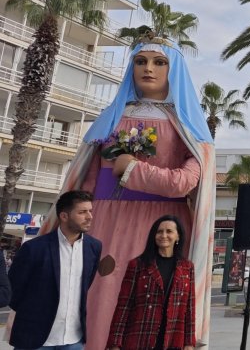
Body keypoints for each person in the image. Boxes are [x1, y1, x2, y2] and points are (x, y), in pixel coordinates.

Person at [47, 39, 216, 350]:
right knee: (101, 298)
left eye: (158, 62)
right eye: (140, 61)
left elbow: (185, 182)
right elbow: (89, 177)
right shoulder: (111, 116)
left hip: (162, 224)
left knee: (154, 307)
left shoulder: (188, 125)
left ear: (174, 70)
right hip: (106, 224)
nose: (148, 68)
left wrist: (131, 169)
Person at [7, 190, 102, 349]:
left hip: (74, 339)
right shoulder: (34, 248)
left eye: (90, 211)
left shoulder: (94, 247)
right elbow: (14, 291)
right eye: (82, 212)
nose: (90, 217)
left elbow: (86, 284)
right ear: (64, 216)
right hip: (35, 338)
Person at [106, 214, 196, 350]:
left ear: (178, 236)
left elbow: (190, 308)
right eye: (159, 231)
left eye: (169, 231)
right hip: (140, 338)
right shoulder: (137, 265)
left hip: (173, 340)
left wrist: (189, 343)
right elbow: (124, 306)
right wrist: (115, 343)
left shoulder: (187, 267)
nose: (163, 235)